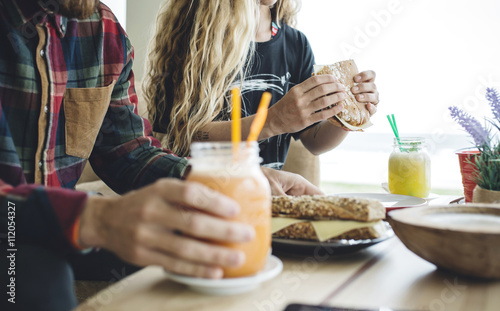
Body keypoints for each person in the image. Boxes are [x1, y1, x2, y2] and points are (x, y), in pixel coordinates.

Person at [0, 1, 321, 310]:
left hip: (70, 229)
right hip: (15, 233)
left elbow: (127, 150)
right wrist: (93, 218)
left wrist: (221, 179)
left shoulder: (104, 31)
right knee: (41, 284)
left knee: (207, 257)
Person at [145, 0, 379, 169]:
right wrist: (273, 121)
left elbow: (314, 141)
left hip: (267, 202)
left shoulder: (296, 44)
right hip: (203, 196)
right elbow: (181, 135)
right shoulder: (196, 38)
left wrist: (346, 117)